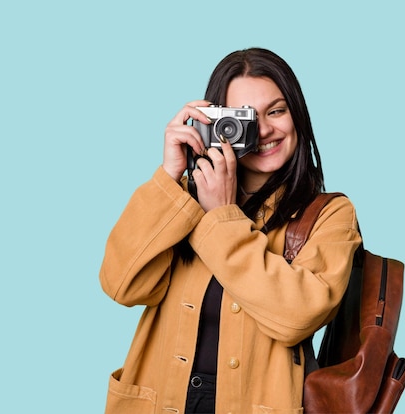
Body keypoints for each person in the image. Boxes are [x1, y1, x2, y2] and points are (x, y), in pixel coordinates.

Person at [99, 47, 362, 414]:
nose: (264, 130)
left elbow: (298, 317)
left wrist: (222, 216)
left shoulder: (329, 214)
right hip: (161, 399)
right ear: (213, 123)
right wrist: (170, 177)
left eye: (276, 111)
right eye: (244, 117)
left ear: (297, 115)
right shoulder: (181, 203)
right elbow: (121, 285)